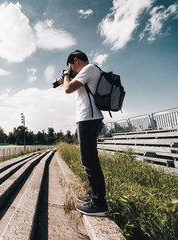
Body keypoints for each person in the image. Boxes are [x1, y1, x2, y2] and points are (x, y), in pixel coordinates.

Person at [57, 50, 109, 217]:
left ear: (76, 60)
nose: (70, 70)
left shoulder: (89, 68)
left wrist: (66, 77)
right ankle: (93, 195)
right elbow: (76, 87)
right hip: (88, 119)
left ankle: (99, 204)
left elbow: (68, 89)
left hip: (88, 119)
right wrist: (67, 78)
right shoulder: (90, 71)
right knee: (89, 159)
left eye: (70, 67)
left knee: (89, 160)